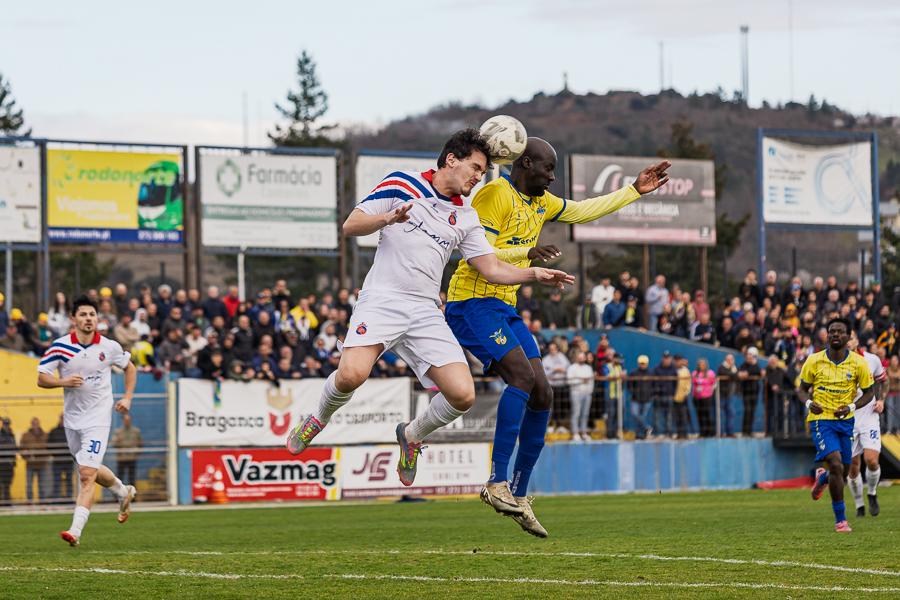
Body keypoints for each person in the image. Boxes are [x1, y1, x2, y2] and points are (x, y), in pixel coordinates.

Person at [284, 130, 574, 510]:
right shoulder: (401, 183)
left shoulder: (466, 216)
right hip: (383, 300)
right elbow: (351, 225)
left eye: (483, 171)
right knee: (351, 375)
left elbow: (491, 268)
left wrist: (533, 273)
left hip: (425, 310)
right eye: (475, 168)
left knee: (463, 395)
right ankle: (317, 419)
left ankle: (411, 435)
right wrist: (387, 218)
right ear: (451, 159)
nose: (478, 177)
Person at [37, 295, 138, 547]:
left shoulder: (109, 347)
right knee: (88, 468)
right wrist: (63, 382)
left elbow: (130, 368)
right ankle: (122, 490)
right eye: (83, 314)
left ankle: (75, 531)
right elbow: (42, 378)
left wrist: (127, 397)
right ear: (73, 319)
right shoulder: (60, 347)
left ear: (97, 318)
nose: (88, 319)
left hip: (98, 418)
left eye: (92, 314)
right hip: (72, 420)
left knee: (86, 474)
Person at [799, 317, 875, 533]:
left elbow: (869, 392)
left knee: (843, 471)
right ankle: (841, 520)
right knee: (835, 464)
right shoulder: (814, 360)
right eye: (831, 331)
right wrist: (809, 403)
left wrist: (851, 407)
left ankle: (822, 478)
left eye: (840, 331)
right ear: (827, 335)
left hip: (845, 420)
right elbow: (802, 389)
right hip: (821, 420)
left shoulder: (859, 363)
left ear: (848, 336)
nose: (835, 334)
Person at [845, 334, 886, 518]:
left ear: (857, 341)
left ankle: (872, 493)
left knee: (872, 460)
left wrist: (881, 400)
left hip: (869, 415)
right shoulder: (837, 362)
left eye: (851, 337)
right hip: (848, 417)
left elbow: (884, 380)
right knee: (853, 466)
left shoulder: (872, 359)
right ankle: (859, 505)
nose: (848, 340)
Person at [19, 417, 50, 504]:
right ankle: (29, 501)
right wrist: (27, 457)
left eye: (36, 423)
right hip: (30, 464)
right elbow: (21, 448)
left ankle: (42, 501)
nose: (35, 425)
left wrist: (43, 455)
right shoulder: (25, 435)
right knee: (29, 484)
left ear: (39, 424)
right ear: (31, 424)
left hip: (42, 463)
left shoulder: (45, 435)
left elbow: (49, 448)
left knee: (42, 484)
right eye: (33, 423)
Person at [566, 351, 594, 440]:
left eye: (582, 357)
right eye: (579, 357)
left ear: (585, 358)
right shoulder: (572, 368)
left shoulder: (588, 368)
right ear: (577, 358)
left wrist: (590, 392)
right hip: (576, 393)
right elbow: (569, 381)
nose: (581, 359)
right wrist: (581, 381)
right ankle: (575, 432)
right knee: (576, 413)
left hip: (587, 394)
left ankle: (583, 432)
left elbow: (591, 381)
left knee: (585, 413)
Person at [737, 347, 764, 436]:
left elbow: (759, 372)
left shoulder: (756, 365)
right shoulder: (743, 365)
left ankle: (749, 431)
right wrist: (749, 372)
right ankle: (745, 431)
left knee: (752, 411)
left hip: (755, 391)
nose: (749, 358)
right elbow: (741, 374)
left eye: (751, 356)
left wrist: (748, 373)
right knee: (747, 410)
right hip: (746, 391)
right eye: (748, 356)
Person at [111, 414, 142, 488]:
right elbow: (114, 443)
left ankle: (132, 493)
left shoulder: (136, 431)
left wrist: (136, 452)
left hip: (132, 458)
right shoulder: (118, 432)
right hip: (122, 458)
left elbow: (140, 443)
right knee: (120, 477)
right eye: (125, 420)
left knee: (132, 477)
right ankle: (118, 493)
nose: (127, 422)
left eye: (128, 420)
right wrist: (118, 442)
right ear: (123, 421)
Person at [47, 414, 72, 503]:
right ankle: (56, 499)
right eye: (62, 418)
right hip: (57, 460)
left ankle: (69, 499)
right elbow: (48, 445)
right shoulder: (53, 431)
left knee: (69, 480)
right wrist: (56, 453)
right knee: (57, 481)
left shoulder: (71, 431)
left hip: (69, 460)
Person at [628, 355, 654, 439]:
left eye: (644, 363)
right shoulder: (634, 373)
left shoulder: (651, 373)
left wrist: (651, 394)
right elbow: (629, 385)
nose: (642, 365)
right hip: (636, 399)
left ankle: (640, 435)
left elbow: (654, 385)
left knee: (642, 416)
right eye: (641, 363)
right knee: (635, 414)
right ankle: (647, 427)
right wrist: (634, 393)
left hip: (647, 399)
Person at [692, 358, 717, 437]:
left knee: (708, 414)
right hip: (697, 397)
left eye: (703, 365)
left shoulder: (710, 373)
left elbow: (714, 383)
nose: (701, 366)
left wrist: (710, 391)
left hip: (707, 397)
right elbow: (693, 383)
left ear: (706, 365)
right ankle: (702, 432)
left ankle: (710, 432)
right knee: (700, 415)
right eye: (700, 365)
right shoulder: (694, 373)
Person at [672, 355, 692, 439]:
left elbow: (688, 383)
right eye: (676, 360)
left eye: (679, 360)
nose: (678, 362)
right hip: (673, 397)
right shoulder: (672, 369)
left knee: (684, 416)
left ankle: (685, 433)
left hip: (683, 397)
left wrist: (686, 393)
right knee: (676, 416)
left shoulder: (685, 370)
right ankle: (679, 433)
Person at [0, 417, 16, 505]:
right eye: (5, 424)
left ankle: (7, 501)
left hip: (9, 463)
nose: (6, 426)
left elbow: (14, 447)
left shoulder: (11, 435)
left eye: (7, 424)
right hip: (2, 462)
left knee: (7, 484)